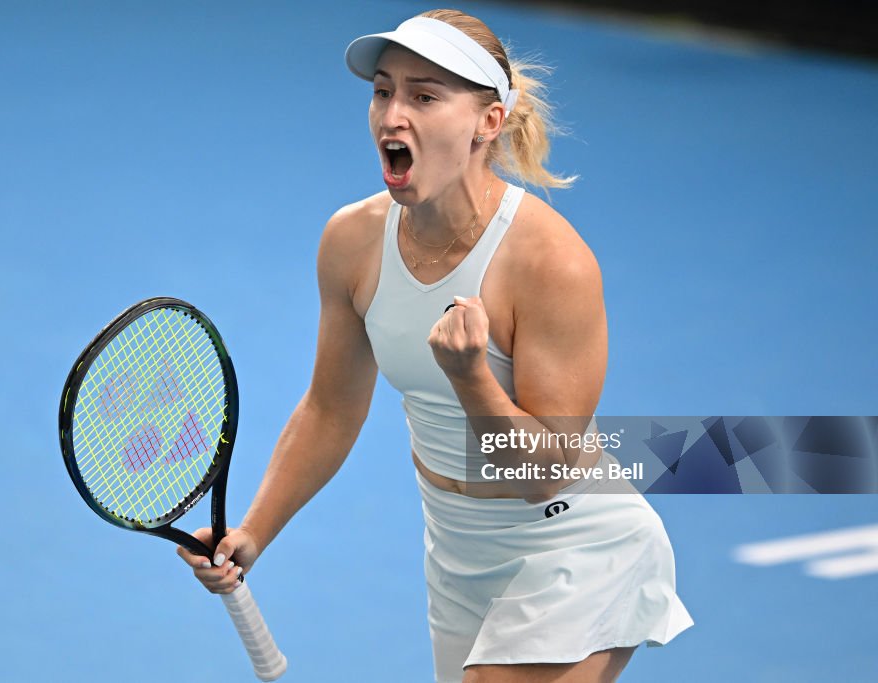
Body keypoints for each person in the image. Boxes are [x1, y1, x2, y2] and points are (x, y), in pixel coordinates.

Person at [177, 9, 693, 682]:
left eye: (424, 96)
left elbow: (545, 474)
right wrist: (253, 531)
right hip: (457, 556)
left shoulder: (550, 262)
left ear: (488, 122)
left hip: (575, 541)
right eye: (384, 90)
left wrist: (472, 377)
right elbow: (330, 408)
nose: (393, 114)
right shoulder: (352, 242)